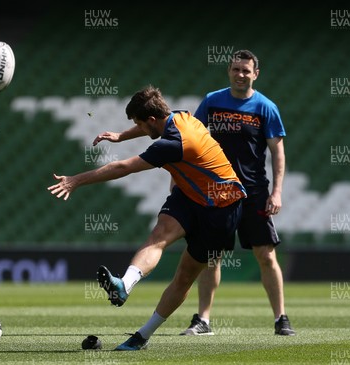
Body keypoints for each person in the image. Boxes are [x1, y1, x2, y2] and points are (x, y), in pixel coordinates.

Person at [93, 50, 295, 336]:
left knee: (265, 254)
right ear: (229, 71)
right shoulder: (213, 101)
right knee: (211, 257)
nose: (240, 74)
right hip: (213, 193)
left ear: (255, 74)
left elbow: (278, 151)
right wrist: (121, 136)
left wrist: (276, 192)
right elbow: (171, 125)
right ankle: (204, 319)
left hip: (252, 189)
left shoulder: (265, 108)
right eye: (236, 69)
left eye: (246, 70)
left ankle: (280, 318)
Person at [49, 86, 246, 350]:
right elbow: (148, 127)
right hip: (190, 195)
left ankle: (142, 335)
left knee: (185, 275)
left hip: (222, 208)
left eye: (138, 123)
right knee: (159, 236)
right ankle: (124, 285)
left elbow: (122, 168)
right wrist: (121, 135)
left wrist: (76, 180)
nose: (138, 127)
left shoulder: (172, 144)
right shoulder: (180, 116)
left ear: (151, 119)